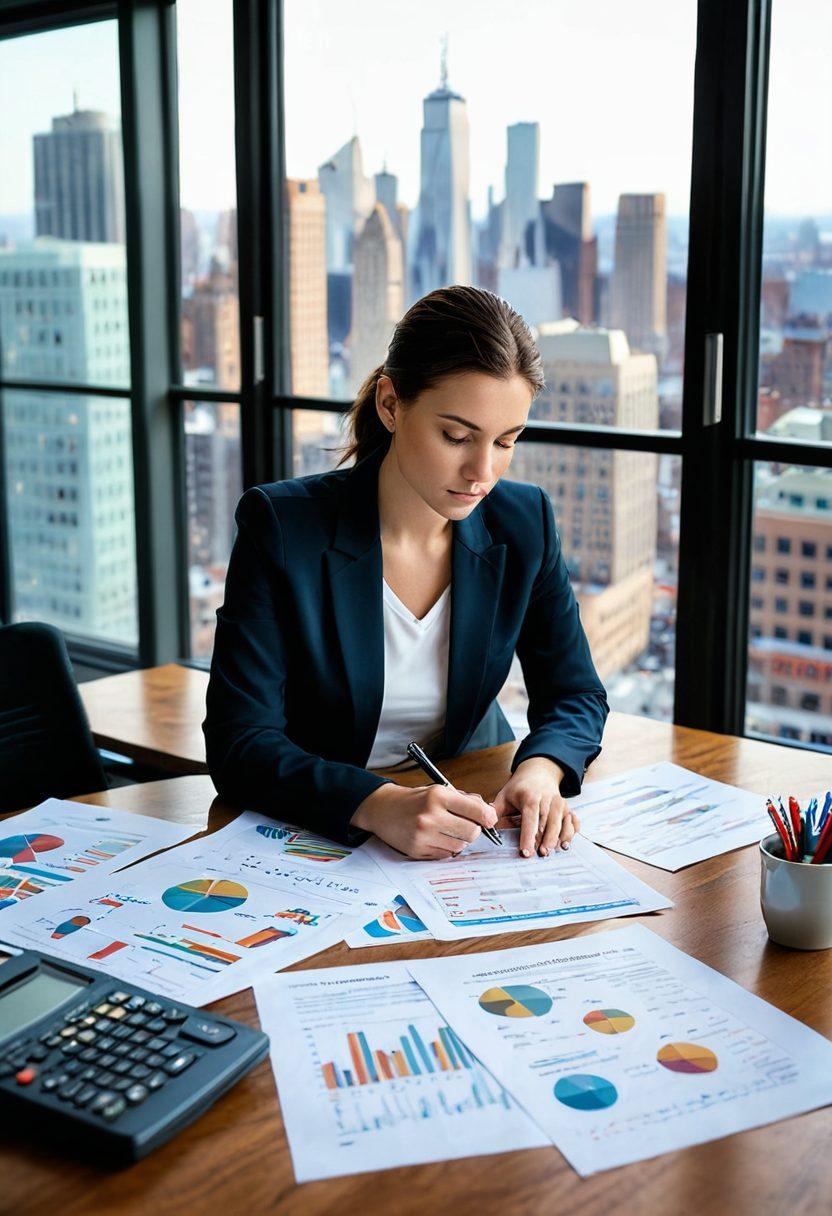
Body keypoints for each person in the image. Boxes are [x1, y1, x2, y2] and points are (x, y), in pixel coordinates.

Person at [204, 286, 609, 860]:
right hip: (322, 821)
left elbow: (575, 691)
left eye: (506, 441)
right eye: (457, 436)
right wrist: (375, 802)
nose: (481, 471)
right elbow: (239, 742)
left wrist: (542, 769)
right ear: (391, 404)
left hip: (471, 798)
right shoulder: (282, 526)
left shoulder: (525, 522)